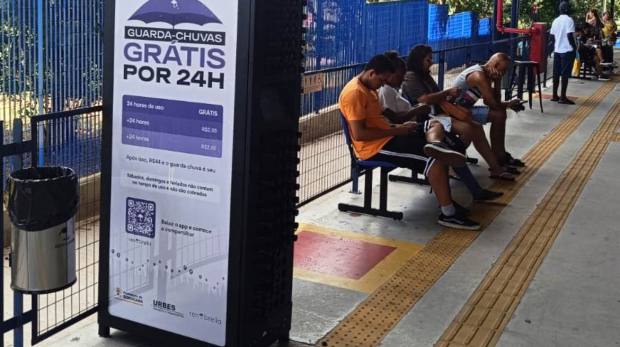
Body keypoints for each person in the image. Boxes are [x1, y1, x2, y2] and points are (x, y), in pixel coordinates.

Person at [339, 54, 480, 230]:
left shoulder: (369, 88)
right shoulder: (355, 93)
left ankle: (437, 148)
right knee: (433, 159)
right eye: (382, 80)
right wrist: (397, 130)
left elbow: (377, 121)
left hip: (389, 135)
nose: (383, 84)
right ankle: (448, 214)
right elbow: (360, 135)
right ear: (371, 73)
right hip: (375, 147)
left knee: (434, 126)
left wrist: (400, 126)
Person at [379, 50, 504, 201]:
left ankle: (471, 190)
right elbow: (393, 118)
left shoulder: (402, 85)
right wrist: (418, 109)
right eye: (428, 59)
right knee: (447, 148)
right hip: (414, 126)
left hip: (422, 122)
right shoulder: (386, 90)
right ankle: (453, 202)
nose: (401, 80)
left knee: (454, 147)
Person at [401, 45, 518, 181]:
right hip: (429, 116)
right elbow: (424, 99)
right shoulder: (411, 77)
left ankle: (495, 167)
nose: (432, 62)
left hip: (445, 110)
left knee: (477, 127)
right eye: (428, 60)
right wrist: (448, 92)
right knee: (469, 129)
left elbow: (495, 103)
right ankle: (452, 164)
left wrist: (497, 84)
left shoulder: (425, 75)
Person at [448, 53, 525, 169]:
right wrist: (498, 83)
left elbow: (494, 102)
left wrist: (508, 104)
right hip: (455, 112)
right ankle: (499, 155)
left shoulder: (486, 74)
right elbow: (491, 104)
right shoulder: (479, 76)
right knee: (499, 114)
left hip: (464, 110)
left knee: (500, 113)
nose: (503, 73)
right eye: (503, 70)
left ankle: (500, 154)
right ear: (494, 65)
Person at [550, 1, 577, 103]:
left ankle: (554, 95)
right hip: (567, 50)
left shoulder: (555, 21)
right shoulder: (569, 20)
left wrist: (557, 43)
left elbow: (551, 37)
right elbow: (570, 36)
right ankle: (563, 97)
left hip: (557, 50)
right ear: (568, 9)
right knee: (565, 74)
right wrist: (574, 47)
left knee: (556, 73)